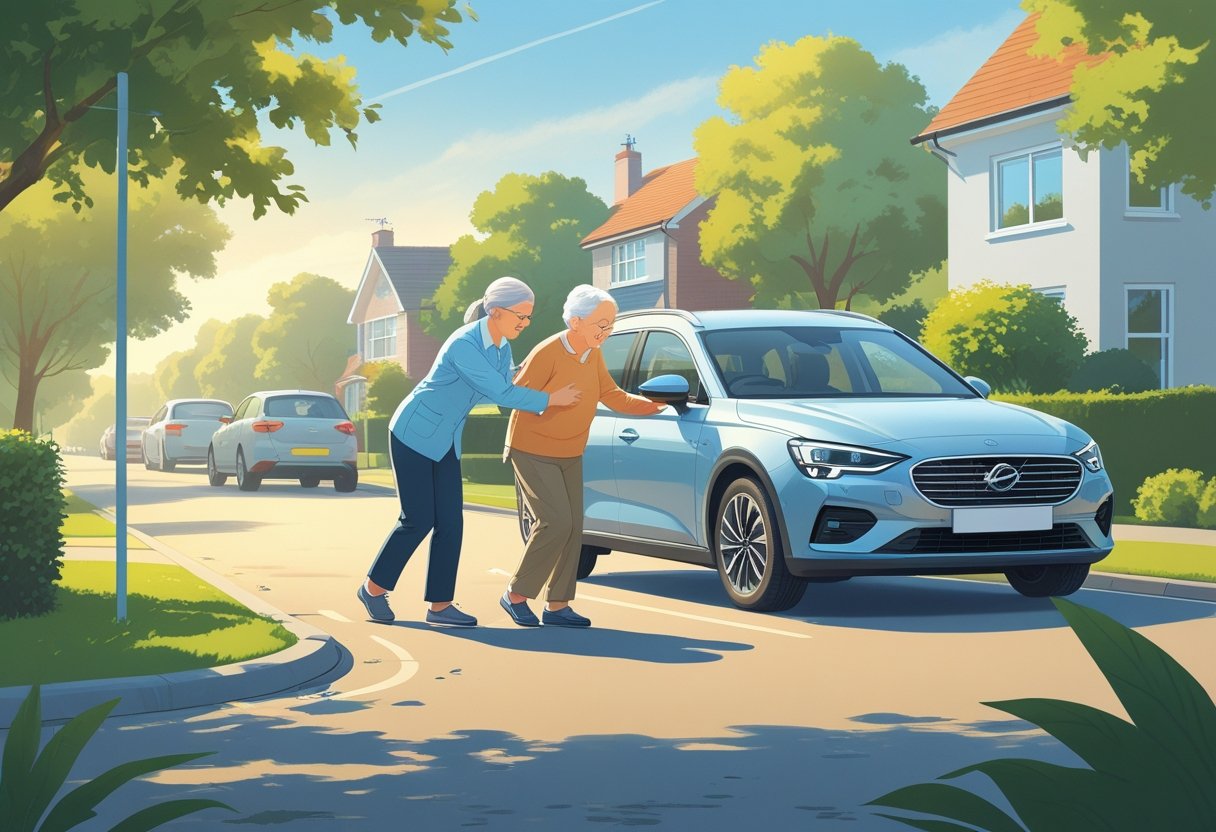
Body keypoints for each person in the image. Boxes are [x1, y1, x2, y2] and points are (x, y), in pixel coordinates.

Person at [358, 277, 581, 627]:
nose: (525, 323)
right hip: (413, 433)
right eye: (520, 316)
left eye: (528, 317)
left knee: (450, 522)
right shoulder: (464, 344)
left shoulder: (501, 347)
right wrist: (552, 399)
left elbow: (507, 383)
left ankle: (440, 606)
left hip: (446, 438)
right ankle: (372, 589)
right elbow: (501, 393)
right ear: (496, 312)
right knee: (418, 519)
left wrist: (538, 375)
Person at [500, 285, 664, 628]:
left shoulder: (593, 353)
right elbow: (513, 396)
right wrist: (552, 399)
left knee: (575, 527)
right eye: (601, 324)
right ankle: (516, 594)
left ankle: (557, 605)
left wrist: (655, 406)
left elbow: (611, 394)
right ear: (575, 322)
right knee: (556, 522)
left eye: (611, 324)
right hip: (532, 450)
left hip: (570, 451)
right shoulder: (547, 353)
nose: (608, 331)